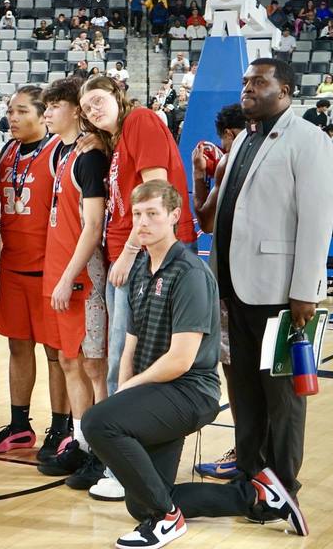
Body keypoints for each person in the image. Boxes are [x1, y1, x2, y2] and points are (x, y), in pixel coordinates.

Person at [208, 57, 333, 503]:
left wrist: (306, 291)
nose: (247, 88)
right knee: (244, 392)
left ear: (284, 91)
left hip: (280, 294)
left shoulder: (309, 140)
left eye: (258, 82)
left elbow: (318, 222)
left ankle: (283, 485)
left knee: (281, 398)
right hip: (235, 288)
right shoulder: (245, 137)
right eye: (245, 81)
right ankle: (250, 476)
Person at [82, 180, 226, 549]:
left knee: (97, 421)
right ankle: (254, 497)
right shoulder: (143, 269)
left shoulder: (190, 273)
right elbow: (131, 343)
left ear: (175, 216)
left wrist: (129, 391)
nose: (142, 223)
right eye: (137, 215)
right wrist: (125, 387)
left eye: (152, 214)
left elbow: (181, 360)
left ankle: (167, 520)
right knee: (142, 498)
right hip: (157, 388)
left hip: (190, 392)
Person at [77, 74, 197, 500]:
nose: (92, 110)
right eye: (86, 108)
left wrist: (129, 253)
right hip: (126, 260)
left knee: (130, 363)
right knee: (122, 358)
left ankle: (124, 465)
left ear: (117, 94)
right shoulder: (119, 136)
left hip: (141, 261)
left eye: (98, 100)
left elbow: (156, 194)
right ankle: (126, 461)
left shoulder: (142, 120)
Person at [0, 85, 72, 461]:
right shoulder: (6, 154)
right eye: (9, 112)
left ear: (42, 115)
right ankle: (20, 425)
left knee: (55, 354)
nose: (12, 118)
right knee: (17, 347)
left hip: (48, 271)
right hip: (13, 268)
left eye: (21, 112)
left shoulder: (59, 153)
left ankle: (62, 427)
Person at [33, 77, 111, 489]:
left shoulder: (90, 158)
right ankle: (81, 441)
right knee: (69, 361)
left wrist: (67, 278)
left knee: (94, 366)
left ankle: (103, 451)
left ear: (76, 111)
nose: (46, 113)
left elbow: (94, 226)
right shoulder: (64, 154)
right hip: (60, 272)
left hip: (84, 276)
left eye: (53, 106)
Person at [189, 103, 246, 479]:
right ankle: (255, 453)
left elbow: (204, 219)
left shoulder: (229, 160)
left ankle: (244, 452)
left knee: (235, 369)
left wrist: (199, 174)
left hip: (230, 275)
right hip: (263, 280)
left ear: (226, 133)